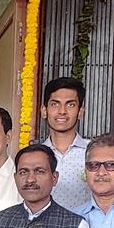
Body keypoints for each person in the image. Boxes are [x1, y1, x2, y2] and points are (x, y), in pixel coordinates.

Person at [41, 77, 92, 210]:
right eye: (55, 104)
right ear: (44, 111)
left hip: (85, 223)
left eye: (70, 105)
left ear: (80, 112)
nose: (62, 111)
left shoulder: (93, 153)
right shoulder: (35, 155)